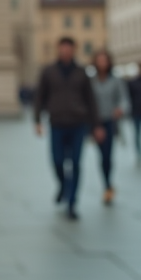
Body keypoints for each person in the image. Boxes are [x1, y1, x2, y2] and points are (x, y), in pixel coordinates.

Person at [35, 36, 104, 220]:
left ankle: (72, 203)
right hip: (57, 123)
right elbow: (40, 97)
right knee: (57, 161)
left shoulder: (82, 72)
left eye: (69, 48)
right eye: (63, 47)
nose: (66, 51)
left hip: (77, 124)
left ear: (74, 50)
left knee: (75, 163)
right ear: (58, 49)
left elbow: (91, 100)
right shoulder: (48, 71)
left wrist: (96, 125)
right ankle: (64, 185)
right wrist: (37, 121)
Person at [90, 50, 127, 205]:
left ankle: (107, 185)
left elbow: (124, 99)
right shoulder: (91, 82)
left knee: (107, 155)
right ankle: (107, 184)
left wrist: (120, 109)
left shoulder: (116, 81)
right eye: (99, 60)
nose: (102, 63)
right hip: (95, 123)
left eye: (105, 60)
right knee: (101, 154)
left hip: (110, 121)